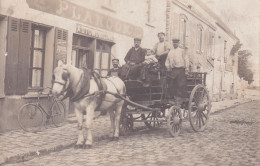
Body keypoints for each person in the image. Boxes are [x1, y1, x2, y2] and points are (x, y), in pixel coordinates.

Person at [165, 38, 189, 110]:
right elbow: (167, 61)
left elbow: (186, 59)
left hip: (181, 70)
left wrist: (187, 69)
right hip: (173, 70)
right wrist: (168, 67)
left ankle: (179, 100)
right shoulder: (171, 52)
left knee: (180, 84)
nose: (175, 44)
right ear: (172, 43)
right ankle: (172, 98)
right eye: (174, 43)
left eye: (176, 43)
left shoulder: (182, 51)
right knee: (171, 83)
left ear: (178, 43)